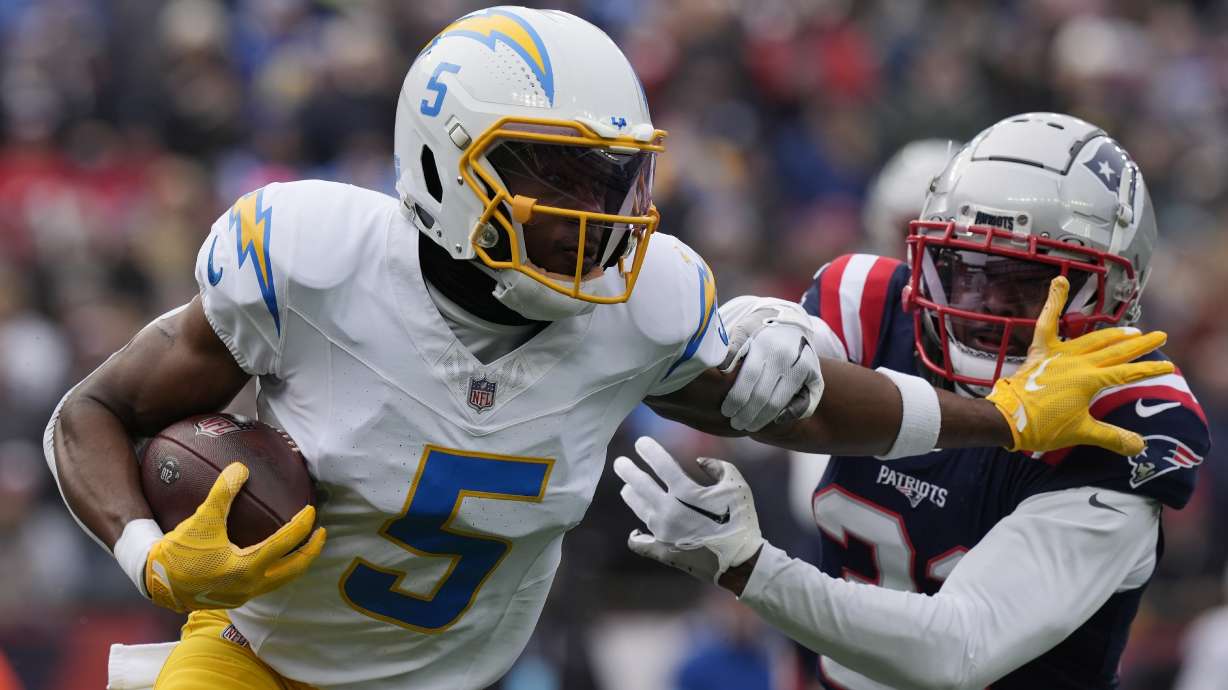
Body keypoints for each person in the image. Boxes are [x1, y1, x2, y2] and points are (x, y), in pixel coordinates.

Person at [43, 8, 1165, 688]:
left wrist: (1006, 418)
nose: (600, 209)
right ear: (440, 165)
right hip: (256, 666)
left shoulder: (644, 305)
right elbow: (88, 413)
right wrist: (149, 554)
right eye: (555, 175)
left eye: (612, 175)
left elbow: (814, 408)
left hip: (475, 680)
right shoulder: (310, 259)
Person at [618, 112, 1210, 690]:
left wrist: (751, 567)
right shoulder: (872, 303)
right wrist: (767, 323)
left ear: (1117, 290)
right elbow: (757, 376)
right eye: (968, 270)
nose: (988, 307)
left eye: (1032, 284)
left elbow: (958, 649)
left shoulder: (1130, 419)